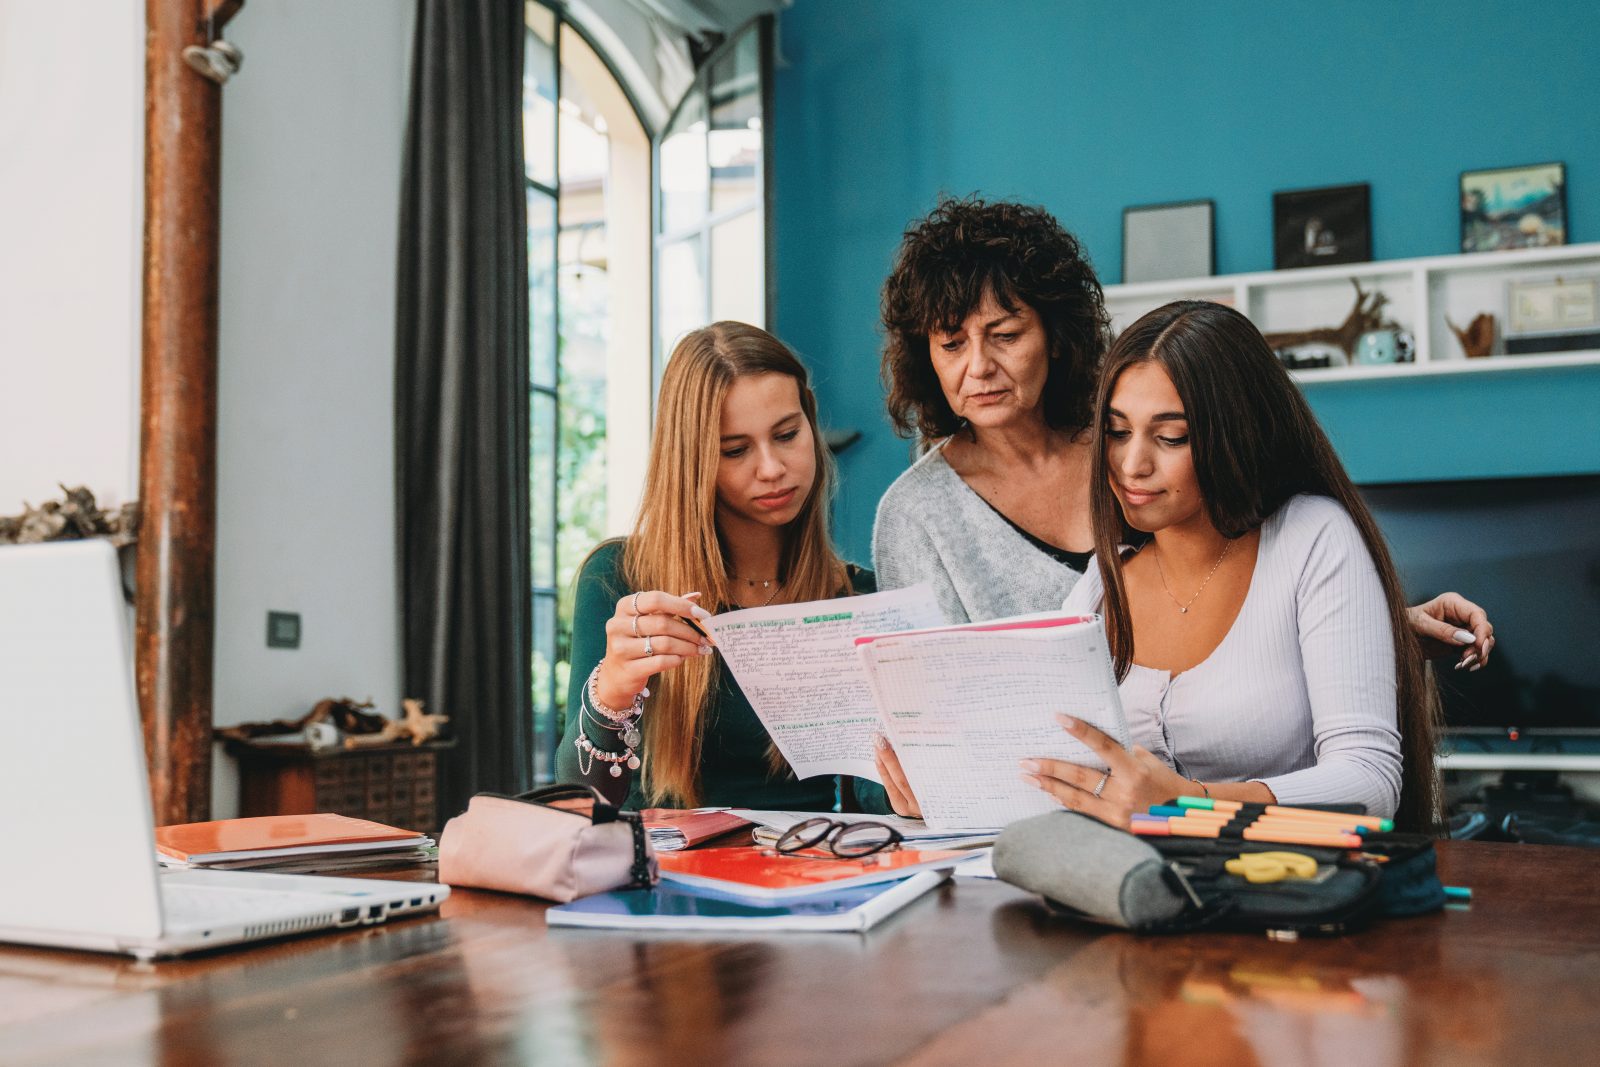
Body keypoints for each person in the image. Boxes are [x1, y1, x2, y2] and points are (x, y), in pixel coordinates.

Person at [871, 196, 1492, 652]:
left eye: (1005, 336)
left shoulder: (1135, 438)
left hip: (1212, 766)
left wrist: (1376, 620)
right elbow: (930, 698)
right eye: (951, 344)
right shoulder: (915, 515)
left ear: (1056, 336)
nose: (978, 367)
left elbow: (1261, 564)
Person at [1022, 302, 1435, 826]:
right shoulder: (1104, 581)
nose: (1132, 465)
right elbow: (1049, 766)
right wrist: (944, 787)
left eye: (1171, 436)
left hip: (1289, 885)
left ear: (1234, 433)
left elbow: (1370, 782)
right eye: (1117, 432)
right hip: (1136, 891)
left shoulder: (1312, 537)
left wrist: (1187, 803)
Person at [555, 321, 887, 811]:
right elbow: (584, 798)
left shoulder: (857, 596)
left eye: (788, 434)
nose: (772, 467)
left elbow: (874, 800)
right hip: (662, 874)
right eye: (735, 450)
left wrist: (913, 778)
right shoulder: (620, 579)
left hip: (810, 869)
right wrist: (612, 694)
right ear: (692, 461)